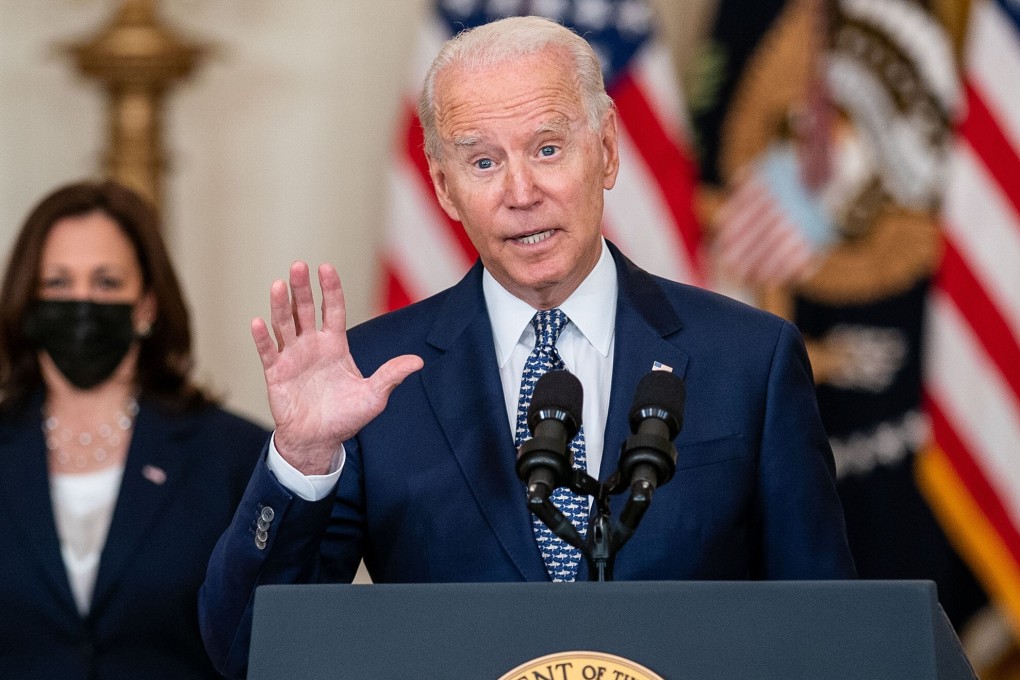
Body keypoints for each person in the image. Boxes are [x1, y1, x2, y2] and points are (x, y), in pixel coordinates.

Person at [200, 16, 856, 678]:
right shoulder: (375, 381)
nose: (521, 193)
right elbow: (248, 649)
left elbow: (828, 634)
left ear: (606, 149)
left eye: (547, 149)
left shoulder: (750, 359)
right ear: (443, 187)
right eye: (483, 161)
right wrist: (303, 460)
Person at [0, 180, 270, 679]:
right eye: (58, 283)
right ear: (30, 303)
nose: (81, 302)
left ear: (146, 304)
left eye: (106, 283)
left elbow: (263, 643)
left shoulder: (236, 455)